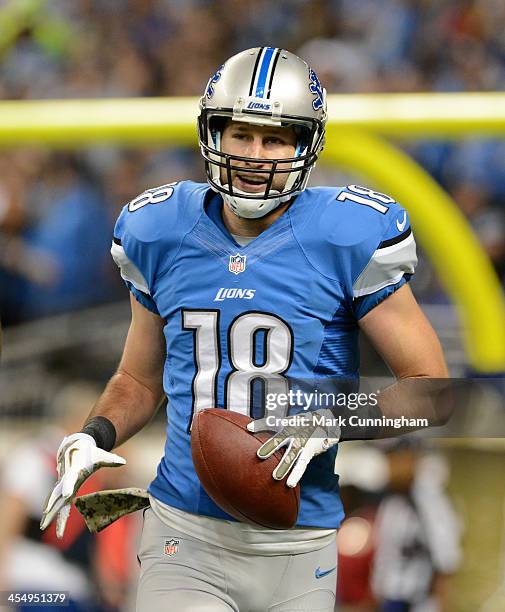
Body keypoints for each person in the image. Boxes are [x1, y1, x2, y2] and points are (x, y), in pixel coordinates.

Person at [41, 47, 448, 612]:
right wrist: (95, 434)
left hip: (301, 543)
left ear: (306, 147)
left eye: (276, 139)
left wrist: (335, 418)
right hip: (185, 533)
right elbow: (137, 379)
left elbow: (432, 392)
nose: (256, 154)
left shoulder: (344, 234)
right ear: (213, 135)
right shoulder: (158, 229)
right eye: (242, 135)